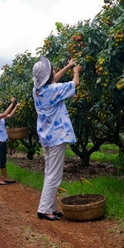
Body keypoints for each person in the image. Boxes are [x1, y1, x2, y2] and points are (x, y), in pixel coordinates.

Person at [32, 57, 82, 221]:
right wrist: (75, 72)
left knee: (50, 173)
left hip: (47, 137)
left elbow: (52, 80)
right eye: (52, 70)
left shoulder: (37, 90)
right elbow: (74, 84)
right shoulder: (53, 91)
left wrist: (67, 66)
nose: (54, 71)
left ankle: (50, 208)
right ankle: (44, 209)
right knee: (54, 175)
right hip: (56, 137)